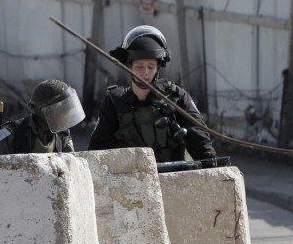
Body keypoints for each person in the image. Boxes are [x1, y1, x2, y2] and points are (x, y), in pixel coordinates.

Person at [88, 25, 216, 162]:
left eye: (151, 66)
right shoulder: (115, 102)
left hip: (173, 177)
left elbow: (200, 140)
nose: (146, 72)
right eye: (139, 66)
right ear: (129, 65)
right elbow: (97, 151)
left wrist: (211, 166)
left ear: (158, 67)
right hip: (132, 180)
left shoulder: (176, 97)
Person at [0, 79, 85, 155]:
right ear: (48, 115)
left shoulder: (62, 135)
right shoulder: (11, 136)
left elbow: (71, 165)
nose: (68, 117)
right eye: (64, 113)